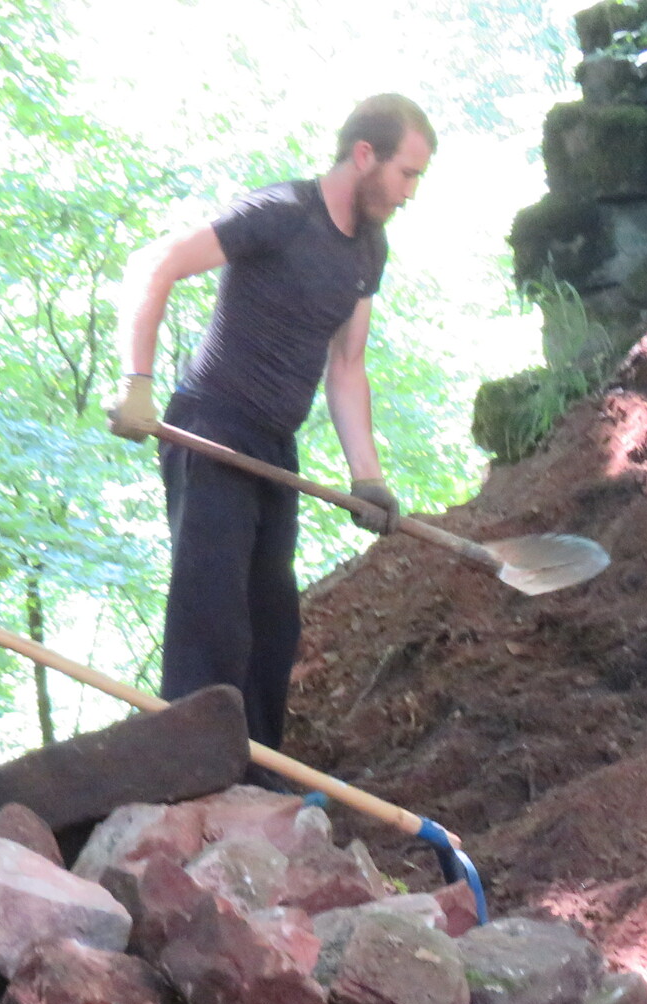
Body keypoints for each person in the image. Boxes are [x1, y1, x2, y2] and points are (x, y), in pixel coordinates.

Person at [103, 96, 434, 751]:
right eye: (407, 173)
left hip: (274, 447)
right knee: (213, 618)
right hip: (212, 426)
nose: (410, 193)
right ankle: (193, 770)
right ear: (364, 155)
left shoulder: (369, 250)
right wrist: (136, 383)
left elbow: (347, 366)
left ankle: (252, 775)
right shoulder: (281, 213)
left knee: (272, 627)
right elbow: (155, 264)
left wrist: (367, 477)